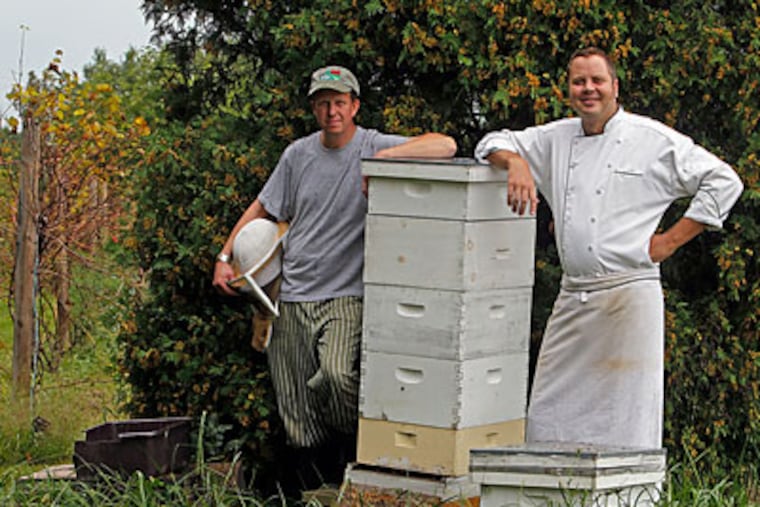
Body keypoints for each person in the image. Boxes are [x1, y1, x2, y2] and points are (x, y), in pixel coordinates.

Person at [474, 47, 743, 449]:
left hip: (629, 294)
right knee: (548, 407)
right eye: (579, 81)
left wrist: (669, 242)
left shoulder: (652, 140)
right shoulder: (554, 138)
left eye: (597, 80)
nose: (588, 89)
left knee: (627, 414)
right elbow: (490, 141)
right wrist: (516, 163)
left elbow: (724, 181)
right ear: (568, 89)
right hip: (572, 295)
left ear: (615, 87)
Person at [213, 65, 457, 488]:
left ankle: (349, 461)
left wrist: (384, 160)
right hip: (288, 295)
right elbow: (263, 207)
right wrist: (224, 255)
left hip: (345, 295)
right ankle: (316, 491)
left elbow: (447, 145)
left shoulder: (373, 143)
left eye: (339, 102)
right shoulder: (297, 155)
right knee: (295, 408)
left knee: (336, 375)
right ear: (314, 108)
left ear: (355, 105)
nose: (332, 111)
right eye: (323, 103)